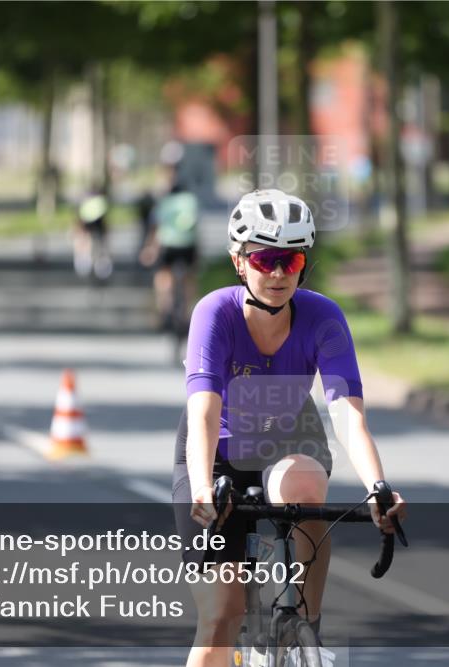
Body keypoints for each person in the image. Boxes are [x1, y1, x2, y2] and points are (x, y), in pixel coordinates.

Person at [171, 189, 407, 667]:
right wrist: (201, 489)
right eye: (265, 259)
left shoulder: (324, 317)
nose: (278, 273)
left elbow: (348, 415)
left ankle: (305, 628)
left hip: (289, 440)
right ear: (240, 262)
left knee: (305, 490)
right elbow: (204, 413)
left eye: (291, 260)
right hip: (216, 452)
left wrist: (378, 487)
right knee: (221, 616)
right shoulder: (214, 313)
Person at [139, 169, 200, 331]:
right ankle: (186, 313)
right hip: (188, 244)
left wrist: (150, 248)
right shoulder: (191, 200)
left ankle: (165, 310)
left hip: (168, 244)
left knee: (163, 276)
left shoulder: (164, 201)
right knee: (189, 278)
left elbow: (156, 227)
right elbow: (196, 227)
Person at [73, 186, 112, 281]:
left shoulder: (95, 205)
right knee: (91, 245)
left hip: (95, 228)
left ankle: (99, 263)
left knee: (98, 246)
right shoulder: (93, 204)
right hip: (92, 228)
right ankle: (96, 263)